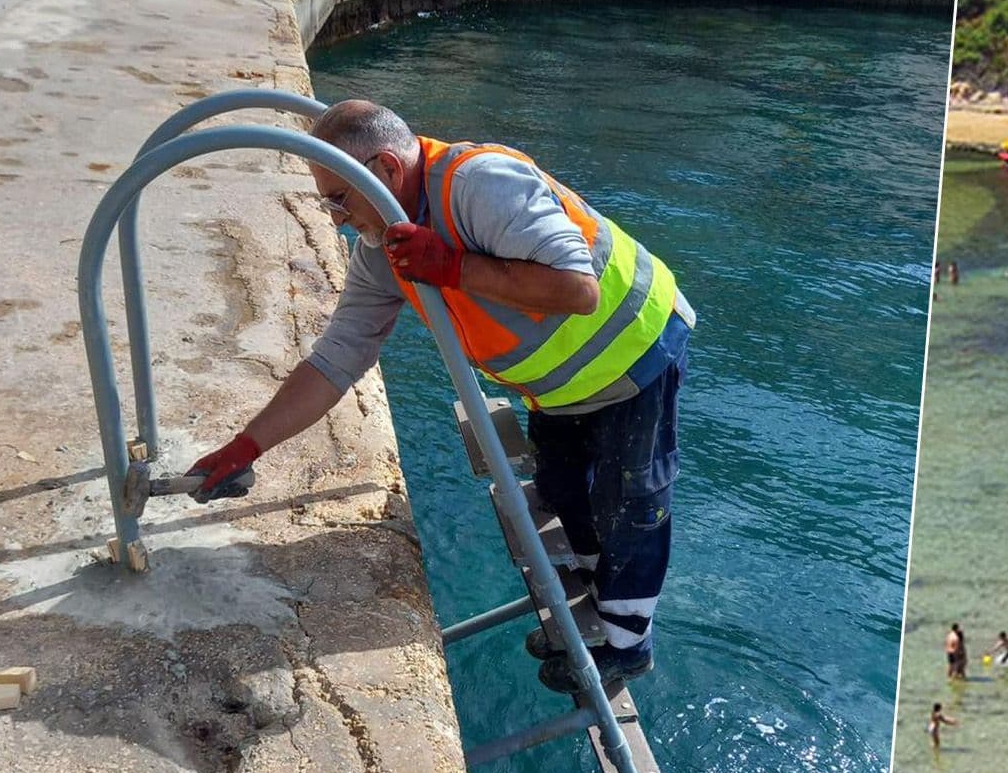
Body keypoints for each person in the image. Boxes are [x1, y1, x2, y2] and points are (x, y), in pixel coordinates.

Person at [186, 100, 695, 689]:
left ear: (386, 169)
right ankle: (599, 601)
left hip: (637, 354)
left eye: (338, 200)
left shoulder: (479, 185)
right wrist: (248, 445)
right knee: (562, 491)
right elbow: (336, 358)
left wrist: (453, 265)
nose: (337, 220)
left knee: (633, 503)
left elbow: (577, 289)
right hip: (560, 390)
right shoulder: (383, 253)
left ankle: (629, 646)